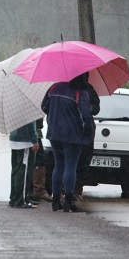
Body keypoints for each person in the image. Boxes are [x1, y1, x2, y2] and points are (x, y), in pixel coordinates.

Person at [41, 74, 94, 213]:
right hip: (73, 135)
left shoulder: (54, 88)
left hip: (54, 133)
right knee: (71, 166)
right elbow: (87, 117)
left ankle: (56, 201)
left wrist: (56, 114)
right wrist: (88, 133)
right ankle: (68, 202)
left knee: (59, 165)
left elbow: (44, 107)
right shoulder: (80, 92)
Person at [74, 72, 100, 202]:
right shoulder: (69, 89)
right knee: (73, 162)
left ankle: (78, 190)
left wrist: (89, 108)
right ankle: (66, 189)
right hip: (74, 130)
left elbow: (97, 108)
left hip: (87, 131)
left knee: (84, 162)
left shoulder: (89, 89)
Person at [8, 120, 40, 209]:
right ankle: (21, 200)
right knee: (24, 171)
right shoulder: (28, 107)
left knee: (15, 170)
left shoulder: (12, 106)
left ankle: (14, 198)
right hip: (25, 141)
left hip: (14, 138)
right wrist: (34, 140)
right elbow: (31, 124)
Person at [29, 118, 53, 203]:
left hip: (21, 136)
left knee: (27, 163)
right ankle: (38, 190)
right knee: (39, 161)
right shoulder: (33, 106)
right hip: (33, 135)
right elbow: (39, 124)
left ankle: (30, 191)